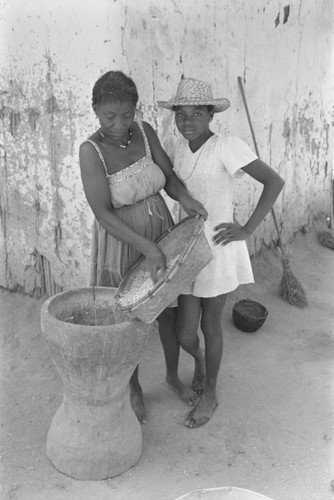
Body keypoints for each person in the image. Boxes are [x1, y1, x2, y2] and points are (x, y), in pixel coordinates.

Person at [79, 71, 207, 423]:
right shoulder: (91, 151)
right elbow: (103, 213)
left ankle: (170, 376)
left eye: (126, 115)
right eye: (109, 117)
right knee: (130, 318)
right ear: (95, 110)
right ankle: (133, 386)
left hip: (161, 234)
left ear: (136, 110)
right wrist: (148, 248)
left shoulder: (146, 133)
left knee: (168, 311)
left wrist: (186, 198)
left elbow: (167, 178)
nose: (119, 124)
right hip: (123, 242)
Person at [158, 77, 284, 428]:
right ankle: (199, 363)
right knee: (186, 333)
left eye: (196, 113)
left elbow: (274, 182)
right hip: (187, 251)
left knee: (211, 326)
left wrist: (247, 229)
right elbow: (171, 179)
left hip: (219, 248)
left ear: (211, 114)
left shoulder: (227, 146)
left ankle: (211, 392)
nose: (187, 121)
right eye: (180, 114)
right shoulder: (178, 146)